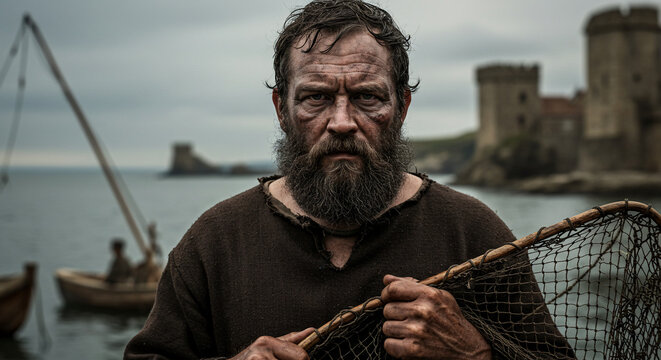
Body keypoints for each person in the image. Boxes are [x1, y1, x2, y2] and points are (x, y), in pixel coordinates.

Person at [125, 1, 573, 359]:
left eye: (367, 97)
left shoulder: (472, 234)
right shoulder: (214, 244)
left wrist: (475, 353)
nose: (342, 122)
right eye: (316, 97)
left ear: (401, 107)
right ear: (282, 109)